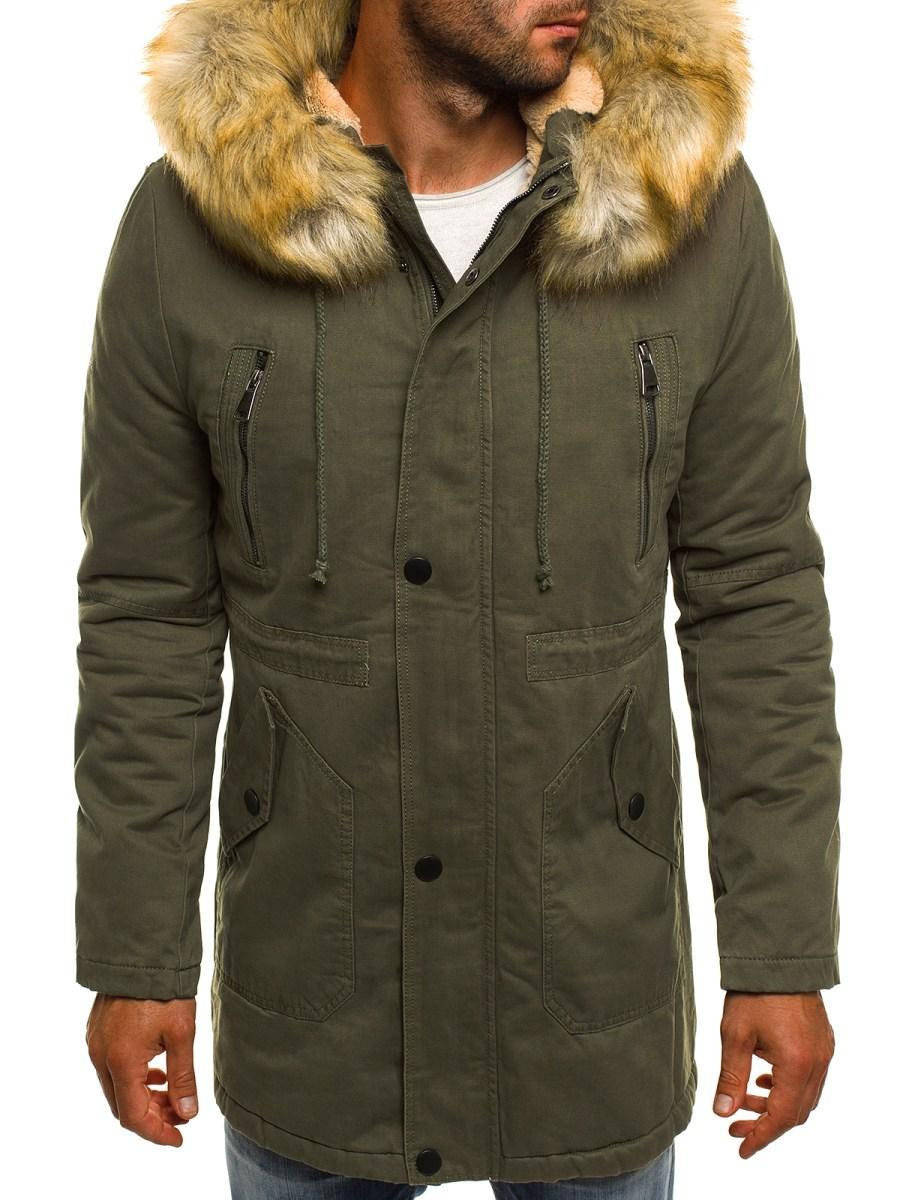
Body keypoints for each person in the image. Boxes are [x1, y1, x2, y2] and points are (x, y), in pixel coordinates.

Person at [75, 2, 841, 1198]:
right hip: (316, 998)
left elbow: (755, 594)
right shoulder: (194, 223)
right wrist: (138, 956)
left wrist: (780, 952)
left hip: (587, 991)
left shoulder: (686, 207)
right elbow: (147, 614)